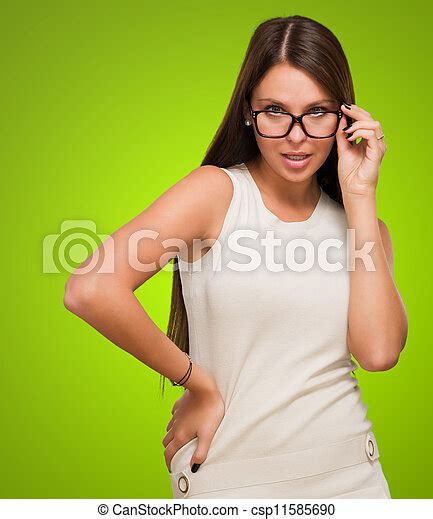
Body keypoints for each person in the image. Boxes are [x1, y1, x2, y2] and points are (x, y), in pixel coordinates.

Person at [64, 15, 408, 499]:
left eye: (317, 112)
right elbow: (90, 288)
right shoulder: (217, 193)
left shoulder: (366, 228)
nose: (296, 135)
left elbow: (378, 353)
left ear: (344, 117)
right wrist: (195, 382)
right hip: (230, 480)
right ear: (249, 112)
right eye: (274, 111)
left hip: (355, 479)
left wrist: (361, 196)